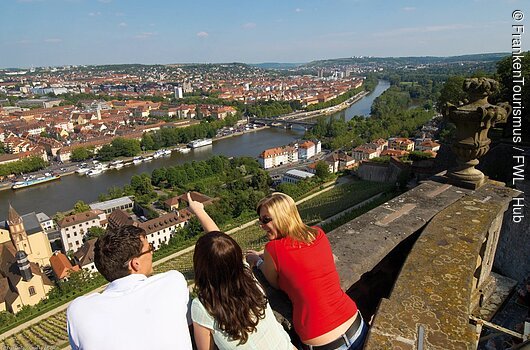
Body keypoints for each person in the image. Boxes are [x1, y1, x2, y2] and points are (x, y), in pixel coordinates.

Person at [246, 192, 368, 350]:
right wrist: (265, 256)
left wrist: (258, 261)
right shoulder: (317, 233)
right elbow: (298, 253)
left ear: (282, 216)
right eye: (260, 220)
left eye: (266, 219)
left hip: (324, 343)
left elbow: (273, 282)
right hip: (355, 324)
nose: (261, 225)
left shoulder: (273, 248)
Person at [187, 193, 295, 350]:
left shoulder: (203, 306)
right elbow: (223, 245)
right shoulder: (247, 275)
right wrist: (200, 211)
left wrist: (198, 211)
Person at [67, 225, 193, 350]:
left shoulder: (78, 311)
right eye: (150, 248)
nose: (152, 252)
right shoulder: (172, 282)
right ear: (135, 263)